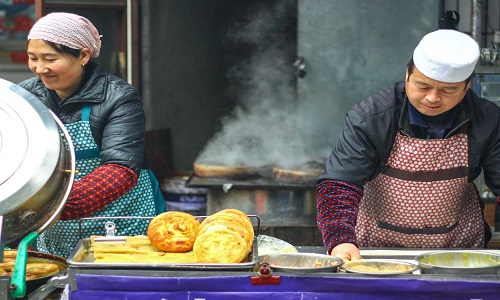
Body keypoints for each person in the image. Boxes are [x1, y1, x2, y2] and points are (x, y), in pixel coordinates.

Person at [316, 29, 500, 262]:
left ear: (467, 86)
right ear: (407, 74)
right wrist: (340, 239)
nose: (433, 98)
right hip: (376, 252)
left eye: (447, 90)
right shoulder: (370, 117)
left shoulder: (488, 119)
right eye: (423, 86)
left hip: (458, 252)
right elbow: (340, 184)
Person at [18, 12, 165, 257]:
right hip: (55, 229)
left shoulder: (119, 97)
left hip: (121, 222)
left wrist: (49, 205)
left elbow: (121, 168)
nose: (40, 68)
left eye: (50, 59)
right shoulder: (26, 96)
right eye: (32, 58)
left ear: (83, 55)